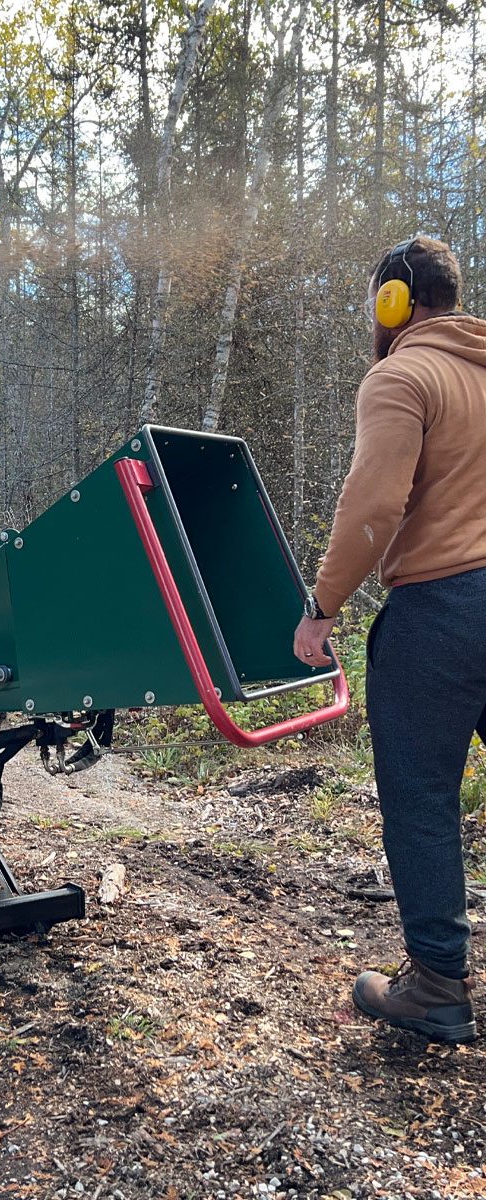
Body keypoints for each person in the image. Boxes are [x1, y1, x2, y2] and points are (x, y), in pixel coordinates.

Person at [293, 235, 486, 1045]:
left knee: (421, 798)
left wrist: (323, 606)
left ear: (393, 303)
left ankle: (437, 983)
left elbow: (372, 506)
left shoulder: (402, 374)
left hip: (444, 609)